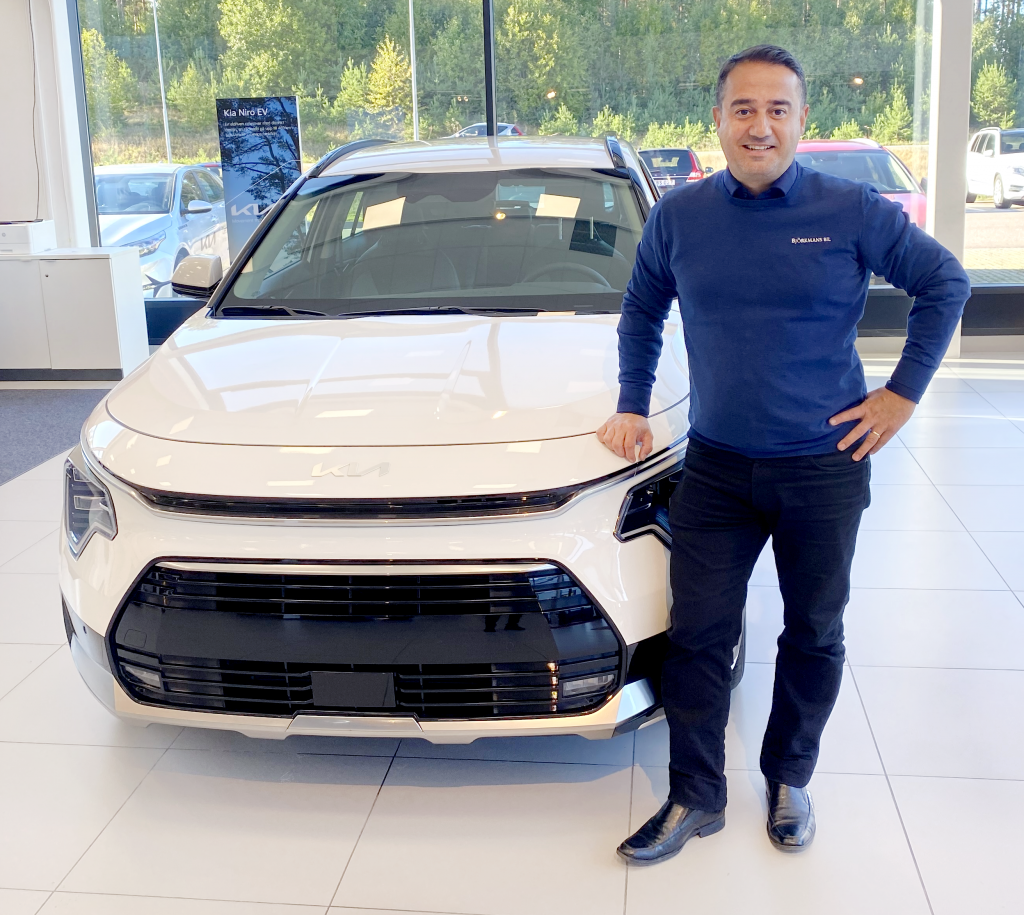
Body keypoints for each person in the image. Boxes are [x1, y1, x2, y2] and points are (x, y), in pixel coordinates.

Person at [598, 45, 969, 864]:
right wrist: (630, 401)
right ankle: (696, 794)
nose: (759, 125)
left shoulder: (851, 207)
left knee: (814, 630)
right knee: (697, 635)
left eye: (777, 109)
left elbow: (945, 283)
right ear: (719, 120)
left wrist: (902, 394)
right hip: (717, 468)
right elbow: (641, 309)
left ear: (803, 120)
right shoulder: (680, 216)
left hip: (823, 468)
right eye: (743, 109)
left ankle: (789, 776)